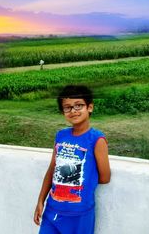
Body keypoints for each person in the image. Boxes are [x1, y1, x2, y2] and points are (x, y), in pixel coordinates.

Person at [34, 85, 111, 234]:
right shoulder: (61, 136)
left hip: (79, 215)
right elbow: (52, 169)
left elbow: (105, 177)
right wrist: (40, 201)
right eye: (67, 107)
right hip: (52, 210)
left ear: (90, 107)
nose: (73, 111)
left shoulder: (96, 139)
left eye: (78, 105)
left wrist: (80, 179)